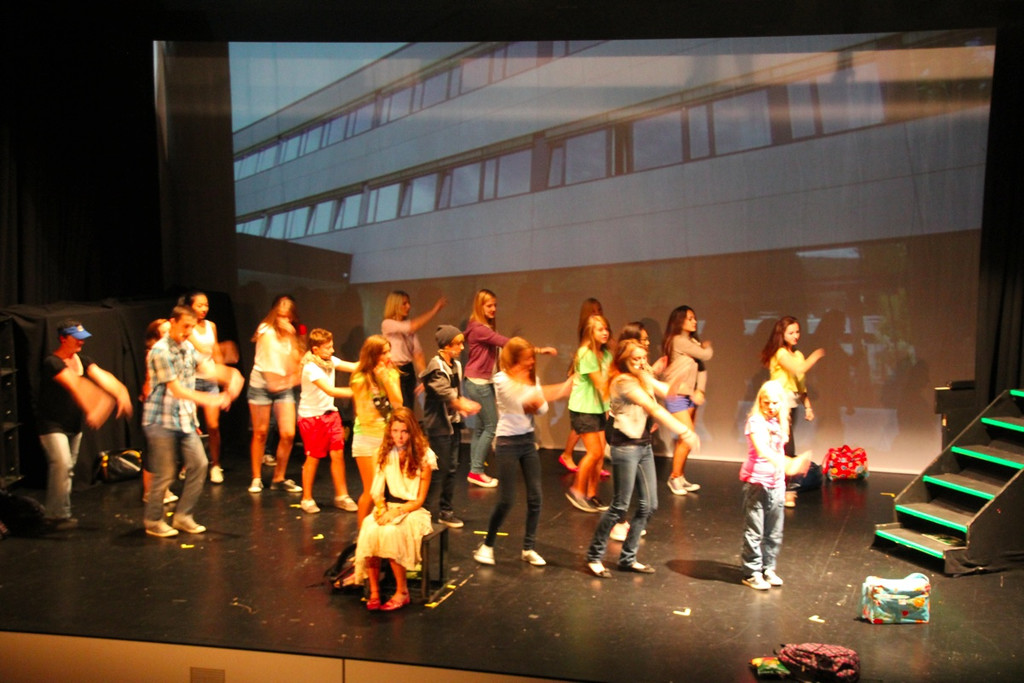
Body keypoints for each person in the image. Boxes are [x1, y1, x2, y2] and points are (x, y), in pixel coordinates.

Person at [586, 340, 698, 577]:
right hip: (625, 446)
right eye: (635, 358)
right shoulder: (623, 381)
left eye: (643, 357)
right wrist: (684, 431)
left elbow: (666, 392)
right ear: (623, 359)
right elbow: (652, 407)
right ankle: (594, 556)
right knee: (620, 506)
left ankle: (628, 558)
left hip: (643, 444)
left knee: (649, 505)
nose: (640, 362)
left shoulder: (641, 375)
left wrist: (679, 376)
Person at [143, 306, 242, 538]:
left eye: (191, 327)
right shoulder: (160, 352)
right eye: (185, 326)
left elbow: (207, 368)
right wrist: (211, 399)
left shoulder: (187, 347)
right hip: (161, 421)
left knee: (199, 464)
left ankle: (183, 516)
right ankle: (153, 520)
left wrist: (231, 376)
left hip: (184, 419)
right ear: (173, 322)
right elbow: (176, 390)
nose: (188, 332)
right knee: (166, 472)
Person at [474, 337, 572, 567]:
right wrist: (557, 390)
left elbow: (541, 409)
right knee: (507, 500)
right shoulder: (501, 379)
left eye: (532, 358)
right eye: (527, 358)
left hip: (527, 442)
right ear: (515, 360)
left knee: (536, 497)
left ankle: (528, 548)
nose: (531, 362)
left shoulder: (531, 380)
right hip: (507, 443)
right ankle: (487, 545)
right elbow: (523, 399)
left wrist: (540, 398)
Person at [36, 319, 133, 529]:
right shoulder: (52, 362)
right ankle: (54, 516)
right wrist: (95, 406)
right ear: (63, 338)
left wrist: (120, 391)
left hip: (73, 425)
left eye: (82, 338)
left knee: (68, 469)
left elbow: (102, 376)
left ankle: (61, 513)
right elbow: (74, 384)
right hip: (52, 425)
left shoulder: (83, 360)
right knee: (62, 464)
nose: (81, 342)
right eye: (76, 338)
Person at [463, 289, 556, 488]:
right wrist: (539, 350)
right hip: (479, 383)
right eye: (489, 305)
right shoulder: (479, 328)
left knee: (481, 428)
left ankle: (475, 468)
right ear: (480, 306)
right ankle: (476, 471)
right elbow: (508, 345)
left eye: (495, 305)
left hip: (477, 381)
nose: (493, 309)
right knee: (491, 427)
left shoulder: (478, 326)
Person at [353, 407, 436, 612]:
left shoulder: (425, 456)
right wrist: (381, 508)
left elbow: (419, 500)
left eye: (404, 431)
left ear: (412, 431)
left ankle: (402, 591)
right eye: (395, 431)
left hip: (412, 510)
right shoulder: (383, 453)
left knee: (391, 532)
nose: (399, 436)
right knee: (370, 527)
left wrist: (396, 513)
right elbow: (377, 490)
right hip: (389, 506)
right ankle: (374, 591)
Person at [739, 380, 810, 589]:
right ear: (760, 402)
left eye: (775, 403)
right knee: (755, 531)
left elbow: (780, 445)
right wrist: (788, 464)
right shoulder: (755, 422)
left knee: (774, 531)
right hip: (757, 483)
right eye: (766, 402)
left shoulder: (778, 423)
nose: (770, 407)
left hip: (777, 483)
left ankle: (768, 568)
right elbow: (762, 450)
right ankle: (752, 572)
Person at [759, 316, 825, 508]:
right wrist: (816, 356)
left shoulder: (797, 354)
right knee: (785, 446)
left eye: (797, 332)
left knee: (784, 445)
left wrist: (808, 406)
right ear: (782, 334)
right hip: (777, 404)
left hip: (791, 404)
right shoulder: (780, 353)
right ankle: (785, 491)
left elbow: (800, 385)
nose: (796, 336)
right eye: (791, 332)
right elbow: (798, 369)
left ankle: (782, 488)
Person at [420, 324, 481, 528]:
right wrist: (461, 404)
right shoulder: (436, 366)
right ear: (447, 345)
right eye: (458, 344)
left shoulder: (456, 365)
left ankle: (445, 511)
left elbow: (456, 391)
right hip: (438, 426)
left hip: (452, 424)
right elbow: (444, 391)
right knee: (438, 469)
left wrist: (461, 406)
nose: (462, 347)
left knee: (451, 468)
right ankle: (423, 509)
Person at [296, 328, 358, 514]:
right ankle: (307, 498)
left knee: (338, 454)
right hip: (312, 418)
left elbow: (354, 366)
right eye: (328, 347)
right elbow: (330, 391)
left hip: (331, 415)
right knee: (313, 457)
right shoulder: (310, 368)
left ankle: (342, 496)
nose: (332, 350)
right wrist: (359, 391)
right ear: (315, 349)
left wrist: (373, 361)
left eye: (332, 346)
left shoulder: (330, 361)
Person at [247, 295, 303, 495]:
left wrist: (292, 338)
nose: (284, 320)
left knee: (288, 433)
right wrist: (288, 380)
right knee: (260, 432)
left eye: (287, 317)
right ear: (274, 315)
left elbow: (294, 365)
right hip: (262, 384)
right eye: (280, 316)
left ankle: (279, 477)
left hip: (283, 385)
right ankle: (256, 477)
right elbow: (270, 365)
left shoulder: (291, 335)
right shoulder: (265, 330)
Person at [657, 305, 713, 496]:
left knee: (685, 438)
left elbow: (702, 368)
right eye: (690, 318)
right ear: (679, 320)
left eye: (694, 318)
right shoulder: (678, 340)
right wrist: (707, 346)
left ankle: (680, 476)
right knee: (687, 437)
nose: (694, 321)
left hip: (689, 395)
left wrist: (700, 390)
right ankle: (674, 477)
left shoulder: (692, 342)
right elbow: (706, 355)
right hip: (677, 394)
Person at [350, 335, 403, 525]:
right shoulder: (359, 377)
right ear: (373, 355)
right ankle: (362, 536)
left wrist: (385, 379)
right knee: (372, 490)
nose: (389, 356)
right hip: (366, 437)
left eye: (389, 351)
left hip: (387, 438)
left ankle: (380, 534)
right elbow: (363, 412)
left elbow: (398, 403)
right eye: (384, 353)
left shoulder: (391, 374)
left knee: (387, 491)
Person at [565, 314, 613, 513]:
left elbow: (611, 378)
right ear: (590, 332)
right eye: (600, 329)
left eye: (606, 329)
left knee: (600, 455)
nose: (605, 332)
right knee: (594, 453)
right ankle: (576, 491)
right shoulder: (586, 354)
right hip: (583, 409)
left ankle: (592, 494)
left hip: (598, 409)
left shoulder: (606, 354)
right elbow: (601, 383)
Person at [181, 291, 230, 484]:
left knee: (213, 426)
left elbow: (215, 350)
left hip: (209, 380)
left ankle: (215, 464)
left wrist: (223, 376)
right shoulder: (185, 326)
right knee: (189, 427)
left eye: (206, 305)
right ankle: (188, 464)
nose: (204, 309)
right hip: (190, 381)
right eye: (199, 305)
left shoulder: (211, 326)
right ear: (190, 306)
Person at [558, 297, 604, 473]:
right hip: (584, 392)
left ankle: (595, 467)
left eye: (599, 310)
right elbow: (584, 354)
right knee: (582, 426)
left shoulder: (602, 343)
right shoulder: (586, 341)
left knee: (591, 433)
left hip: (593, 397)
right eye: (593, 311)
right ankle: (568, 456)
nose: (597, 313)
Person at [381, 290, 447, 410]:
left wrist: (424, 377)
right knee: (400, 407)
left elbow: (417, 354)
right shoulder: (387, 324)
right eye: (404, 303)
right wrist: (434, 310)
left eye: (408, 303)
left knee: (409, 407)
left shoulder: (409, 328)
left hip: (408, 369)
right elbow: (413, 326)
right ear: (395, 305)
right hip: (394, 370)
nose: (408, 306)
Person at [140, 318, 176, 506]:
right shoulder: (153, 353)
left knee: (164, 450)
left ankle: (163, 489)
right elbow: (149, 383)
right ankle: (148, 492)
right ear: (156, 336)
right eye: (165, 332)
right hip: (156, 408)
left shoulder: (172, 352)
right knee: (153, 451)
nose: (170, 334)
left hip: (168, 406)